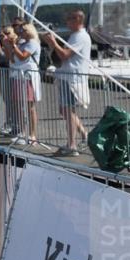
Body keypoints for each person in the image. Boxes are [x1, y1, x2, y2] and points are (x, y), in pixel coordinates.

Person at [43, 10, 91, 156]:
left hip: (72, 79)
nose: (67, 22)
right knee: (65, 110)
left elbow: (64, 55)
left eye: (69, 19)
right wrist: (53, 45)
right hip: (67, 77)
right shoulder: (74, 36)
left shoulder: (80, 36)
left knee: (68, 110)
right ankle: (83, 134)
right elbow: (61, 55)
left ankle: (72, 145)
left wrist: (53, 42)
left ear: (77, 20)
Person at [5, 23, 42, 143]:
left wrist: (14, 46)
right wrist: (9, 46)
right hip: (19, 76)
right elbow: (12, 59)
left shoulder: (33, 43)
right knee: (19, 106)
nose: (21, 32)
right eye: (21, 30)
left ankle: (32, 135)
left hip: (28, 77)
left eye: (24, 30)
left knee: (30, 107)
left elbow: (22, 57)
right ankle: (23, 132)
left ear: (30, 31)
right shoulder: (22, 43)